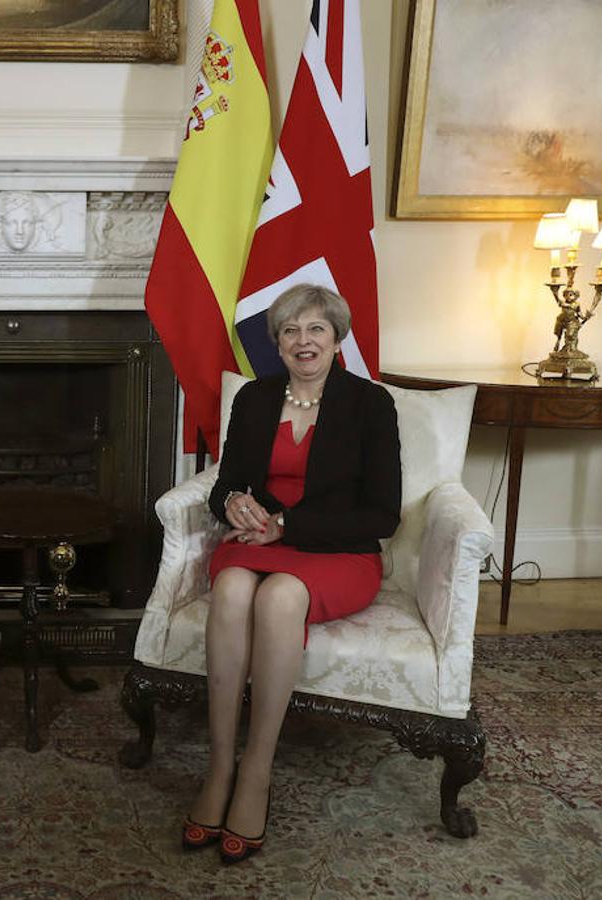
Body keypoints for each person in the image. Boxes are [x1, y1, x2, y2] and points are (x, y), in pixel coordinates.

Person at [184, 283, 401, 864]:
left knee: (280, 598)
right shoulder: (254, 398)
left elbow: (383, 513)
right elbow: (228, 482)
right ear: (277, 343)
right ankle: (219, 766)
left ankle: (256, 772)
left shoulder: (369, 404)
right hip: (255, 541)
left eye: (316, 330)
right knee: (230, 587)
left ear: (336, 339)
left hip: (337, 551)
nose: (303, 342)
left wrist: (286, 528)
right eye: (290, 331)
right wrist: (230, 504)